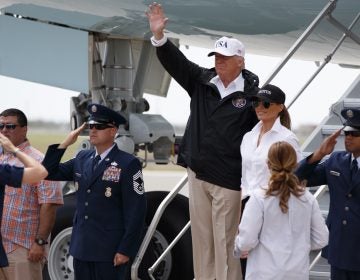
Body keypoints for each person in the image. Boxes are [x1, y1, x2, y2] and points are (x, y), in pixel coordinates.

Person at [146, 3, 260, 279]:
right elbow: (177, 64)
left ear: (240, 62)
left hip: (228, 180)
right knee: (203, 243)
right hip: (198, 175)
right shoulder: (201, 81)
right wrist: (159, 38)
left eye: (225, 57)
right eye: (216, 56)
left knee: (225, 244)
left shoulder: (253, 96)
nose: (218, 61)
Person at [42, 103, 147, 280]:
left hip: (110, 251)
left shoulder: (128, 163)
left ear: (113, 131)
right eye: (90, 126)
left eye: (99, 127)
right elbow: (48, 172)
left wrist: (125, 249)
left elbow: (136, 211)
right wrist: (66, 142)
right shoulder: (82, 158)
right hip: (82, 249)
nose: (93, 130)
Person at [234, 141, 329, 280]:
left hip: (263, 273)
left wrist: (237, 248)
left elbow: (246, 241)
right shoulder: (308, 199)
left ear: (268, 164)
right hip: (297, 273)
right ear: (295, 165)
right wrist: (300, 246)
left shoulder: (259, 197)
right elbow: (321, 239)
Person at [239, 84, 302, 276]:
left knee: (267, 266)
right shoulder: (248, 137)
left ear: (280, 107)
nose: (259, 107)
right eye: (256, 102)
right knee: (245, 264)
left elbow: (294, 176)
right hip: (247, 206)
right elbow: (244, 178)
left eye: (265, 103)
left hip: (272, 207)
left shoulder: (287, 138)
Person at [296, 108, 360, 280]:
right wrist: (319, 154)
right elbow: (297, 178)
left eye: (355, 133)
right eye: (346, 132)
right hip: (339, 250)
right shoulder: (336, 161)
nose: (348, 137)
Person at [0, 108, 63, 280]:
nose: (4, 130)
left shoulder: (40, 161)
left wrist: (40, 242)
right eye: (1, 126)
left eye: (11, 126)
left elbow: (49, 204)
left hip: (21, 248)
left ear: (24, 129)